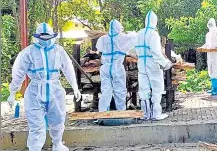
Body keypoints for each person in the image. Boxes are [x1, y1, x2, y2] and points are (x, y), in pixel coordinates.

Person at [7, 23, 81, 151]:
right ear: (38, 37)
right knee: (36, 124)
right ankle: (35, 148)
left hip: (55, 90)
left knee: (58, 119)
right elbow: (18, 73)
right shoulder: (28, 52)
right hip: (35, 91)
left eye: (48, 38)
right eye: (43, 38)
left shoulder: (59, 50)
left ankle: (57, 144)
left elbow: (68, 69)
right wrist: (13, 92)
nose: (46, 41)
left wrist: (74, 86)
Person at [135, 10, 172, 120]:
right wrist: (165, 63)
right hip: (152, 63)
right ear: (154, 21)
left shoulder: (139, 33)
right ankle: (156, 114)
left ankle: (145, 114)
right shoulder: (153, 34)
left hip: (141, 63)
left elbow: (134, 49)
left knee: (144, 88)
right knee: (157, 87)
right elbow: (156, 52)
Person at [96, 19, 137, 112]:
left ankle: (102, 112)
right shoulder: (122, 38)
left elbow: (100, 49)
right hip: (117, 67)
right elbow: (134, 38)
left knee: (106, 91)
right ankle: (121, 112)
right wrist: (133, 33)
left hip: (105, 67)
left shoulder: (102, 38)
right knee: (120, 91)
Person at [200, 18, 217, 96]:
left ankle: (216, 89)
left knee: (216, 71)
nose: (210, 26)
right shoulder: (207, 35)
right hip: (209, 55)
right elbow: (206, 44)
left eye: (211, 24)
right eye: (209, 24)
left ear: (214, 24)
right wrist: (202, 48)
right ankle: (213, 88)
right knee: (210, 71)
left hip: (216, 56)